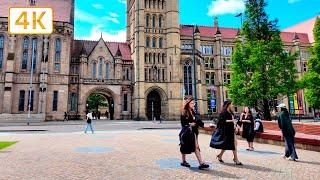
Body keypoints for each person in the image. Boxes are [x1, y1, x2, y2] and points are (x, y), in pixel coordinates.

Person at [179, 95, 210, 170]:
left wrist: (208, 126)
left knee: (195, 146)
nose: (193, 104)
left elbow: (199, 122)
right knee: (184, 146)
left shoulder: (194, 112)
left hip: (194, 132)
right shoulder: (184, 112)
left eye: (194, 103)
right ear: (188, 103)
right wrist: (190, 124)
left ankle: (201, 163)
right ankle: (184, 161)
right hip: (187, 132)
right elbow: (183, 123)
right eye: (192, 103)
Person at [210, 99, 242, 165]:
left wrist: (235, 127)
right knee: (232, 144)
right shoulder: (223, 112)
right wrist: (231, 121)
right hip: (226, 131)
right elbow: (221, 122)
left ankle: (220, 155)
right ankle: (235, 159)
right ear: (228, 104)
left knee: (231, 144)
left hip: (231, 130)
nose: (232, 105)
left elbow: (233, 121)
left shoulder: (230, 112)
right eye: (231, 104)